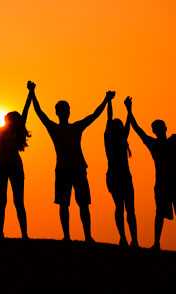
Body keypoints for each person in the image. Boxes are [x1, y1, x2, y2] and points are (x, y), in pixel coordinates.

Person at [31, 82, 115, 243]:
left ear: (67, 112)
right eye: (63, 110)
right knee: (66, 204)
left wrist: (106, 100)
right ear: (59, 112)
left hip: (76, 169)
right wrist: (33, 93)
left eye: (65, 110)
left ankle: (85, 236)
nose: (64, 112)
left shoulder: (72, 127)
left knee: (81, 204)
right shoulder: (58, 128)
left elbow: (94, 115)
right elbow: (40, 113)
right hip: (66, 169)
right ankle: (71, 236)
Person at [125, 97, 176, 250]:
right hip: (163, 184)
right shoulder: (158, 143)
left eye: (159, 128)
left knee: (159, 214)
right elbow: (137, 129)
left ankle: (156, 243)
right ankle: (156, 243)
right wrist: (129, 110)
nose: (158, 130)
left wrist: (129, 110)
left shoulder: (169, 142)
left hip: (168, 183)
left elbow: (138, 129)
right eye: (157, 128)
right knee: (159, 214)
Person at [0, 80, 32, 239]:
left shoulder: (10, 132)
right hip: (4, 167)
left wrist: (30, 94)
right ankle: (2, 233)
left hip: (11, 167)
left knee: (16, 202)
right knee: (4, 201)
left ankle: (23, 234)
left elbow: (25, 111)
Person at [104, 97, 138, 247]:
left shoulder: (121, 138)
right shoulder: (109, 138)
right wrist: (110, 102)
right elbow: (109, 118)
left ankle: (131, 239)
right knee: (123, 207)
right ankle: (125, 238)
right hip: (117, 176)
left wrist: (129, 109)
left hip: (122, 176)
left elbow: (127, 124)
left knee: (127, 208)